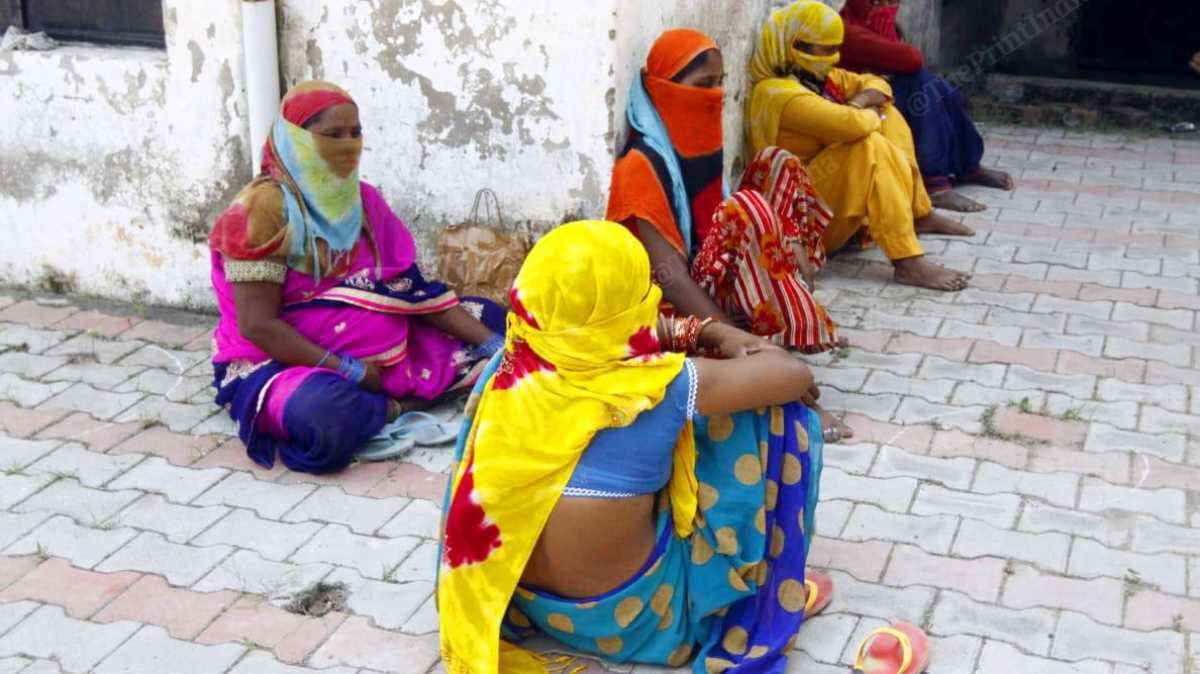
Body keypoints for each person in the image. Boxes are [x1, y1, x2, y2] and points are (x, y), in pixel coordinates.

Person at [436, 220, 930, 674]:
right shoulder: (660, 386)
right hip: (643, 627)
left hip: (526, 606)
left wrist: (690, 329)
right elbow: (793, 375)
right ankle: (758, 590)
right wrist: (718, 333)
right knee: (773, 413)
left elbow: (604, 342)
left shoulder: (510, 364)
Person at [207, 81, 506, 475]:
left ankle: (389, 397)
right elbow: (258, 325)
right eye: (332, 135)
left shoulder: (363, 201)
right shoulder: (260, 213)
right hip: (286, 361)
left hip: (388, 348)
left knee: (495, 320)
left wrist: (495, 345)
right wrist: (350, 370)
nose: (348, 145)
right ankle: (397, 406)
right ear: (296, 139)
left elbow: (410, 290)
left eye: (355, 133)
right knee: (324, 416)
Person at [607, 28, 852, 442]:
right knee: (748, 211)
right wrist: (738, 344)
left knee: (778, 163)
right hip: (669, 310)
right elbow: (673, 279)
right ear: (663, 88)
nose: (715, 95)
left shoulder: (694, 142)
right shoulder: (639, 166)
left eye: (720, 83)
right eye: (703, 85)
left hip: (706, 277)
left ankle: (786, 320)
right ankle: (777, 363)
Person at [748, 1, 974, 292]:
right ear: (792, 44)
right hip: (800, 221)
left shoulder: (819, 77)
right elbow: (854, 125)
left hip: (829, 200)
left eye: (835, 49)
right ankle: (906, 260)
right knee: (869, 145)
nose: (832, 58)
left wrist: (862, 102)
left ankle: (917, 212)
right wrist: (865, 111)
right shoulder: (778, 94)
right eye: (823, 50)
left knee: (889, 116)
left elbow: (876, 84)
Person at [839, 0, 1014, 213]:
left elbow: (901, 61)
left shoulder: (879, 23)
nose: (886, 5)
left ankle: (969, 166)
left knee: (941, 88)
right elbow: (911, 58)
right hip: (858, 101)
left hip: (884, 88)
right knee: (924, 87)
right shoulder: (847, 29)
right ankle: (934, 183)